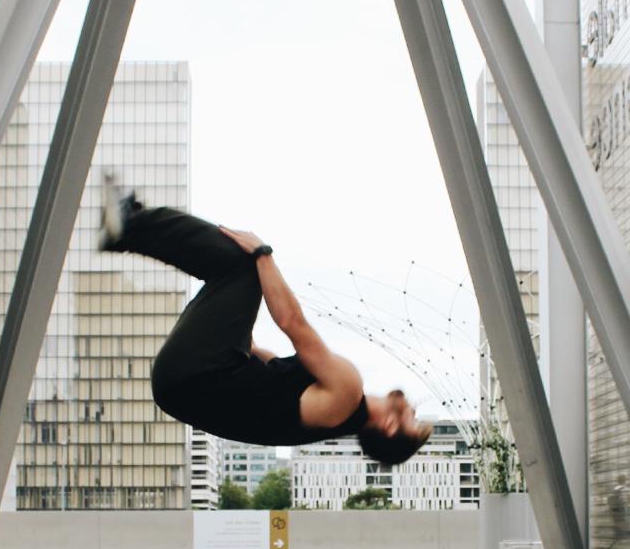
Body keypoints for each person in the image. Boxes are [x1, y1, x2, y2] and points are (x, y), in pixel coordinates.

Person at [99, 177, 432, 462]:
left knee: (242, 266)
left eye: (413, 421)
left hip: (196, 375)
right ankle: (133, 226)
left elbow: (292, 323)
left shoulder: (347, 392)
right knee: (235, 274)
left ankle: (131, 225)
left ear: (389, 427)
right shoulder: (334, 413)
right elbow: (275, 372)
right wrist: (244, 340)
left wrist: (263, 254)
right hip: (186, 384)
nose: (415, 410)